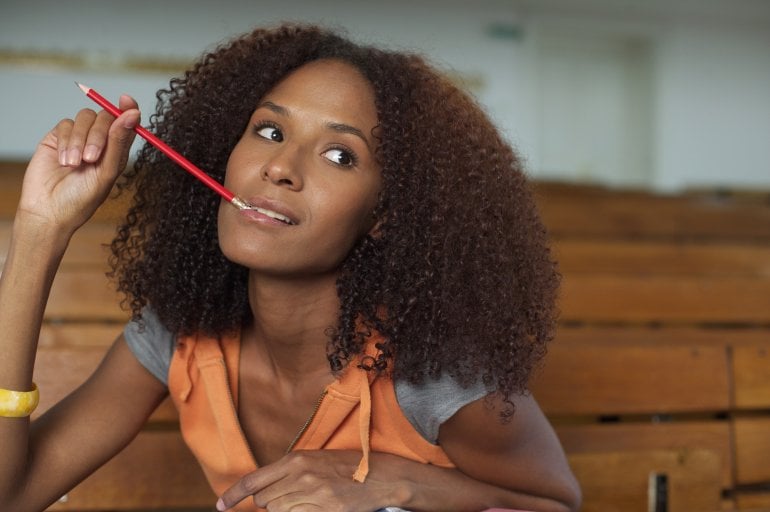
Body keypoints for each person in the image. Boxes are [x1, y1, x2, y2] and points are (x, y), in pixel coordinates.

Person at [0, 23, 581, 512]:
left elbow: (557, 505)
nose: (279, 167)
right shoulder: (177, 334)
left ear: (383, 214)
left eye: (339, 155)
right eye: (270, 131)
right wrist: (40, 230)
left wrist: (401, 481)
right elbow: (12, 494)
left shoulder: (433, 375)